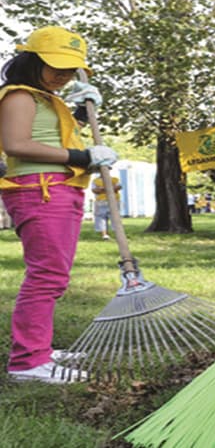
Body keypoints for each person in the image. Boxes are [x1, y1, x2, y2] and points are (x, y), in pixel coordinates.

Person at [0, 26, 118, 383]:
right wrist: (81, 156)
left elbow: (49, 134)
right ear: (29, 60)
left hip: (57, 188)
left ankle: (40, 349)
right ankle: (27, 362)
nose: (63, 76)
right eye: (55, 67)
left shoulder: (45, 98)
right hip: (39, 189)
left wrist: (79, 116)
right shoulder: (19, 96)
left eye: (70, 70)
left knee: (53, 274)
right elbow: (16, 142)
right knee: (47, 275)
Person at [92, 174, 122, 240]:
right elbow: (95, 190)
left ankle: (118, 234)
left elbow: (119, 187)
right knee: (101, 217)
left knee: (114, 218)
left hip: (114, 200)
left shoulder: (114, 179)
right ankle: (105, 235)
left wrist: (102, 189)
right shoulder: (95, 181)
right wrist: (110, 188)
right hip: (101, 201)